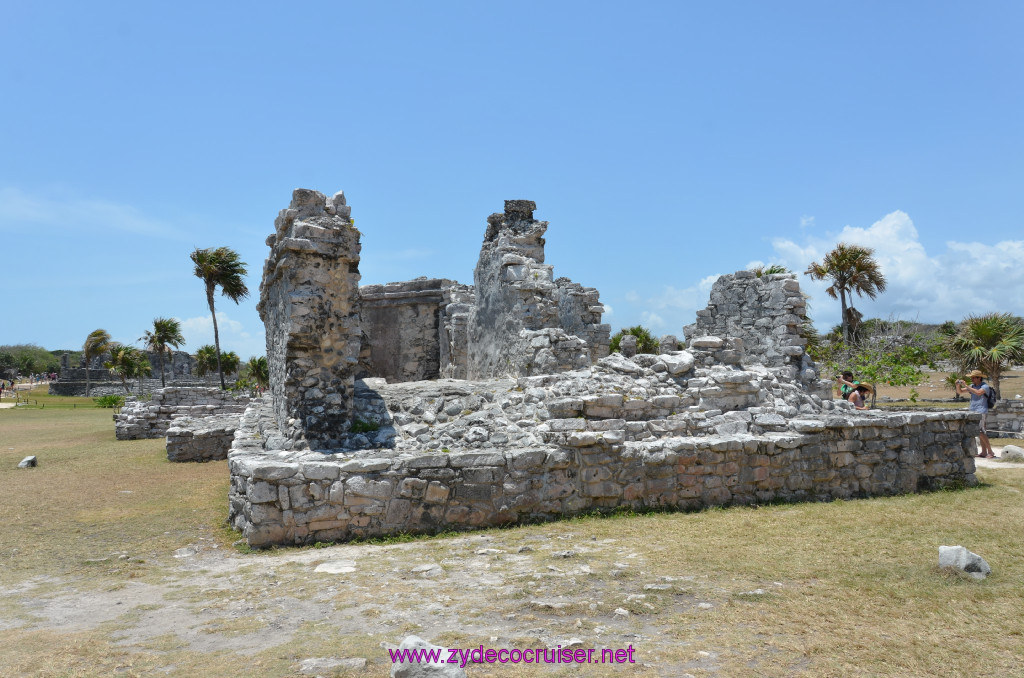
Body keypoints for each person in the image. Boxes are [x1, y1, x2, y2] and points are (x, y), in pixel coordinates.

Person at [956, 370, 995, 458]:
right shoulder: (972, 386)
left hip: (981, 411)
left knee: (980, 431)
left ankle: (990, 451)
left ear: (979, 378)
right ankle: (984, 452)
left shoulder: (985, 386)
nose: (972, 379)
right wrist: (957, 385)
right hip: (973, 410)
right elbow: (960, 392)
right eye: (972, 377)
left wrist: (966, 385)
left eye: (974, 377)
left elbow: (978, 392)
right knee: (979, 432)